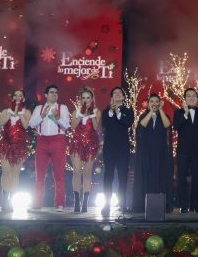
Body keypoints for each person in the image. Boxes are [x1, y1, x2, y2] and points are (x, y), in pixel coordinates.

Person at [29, 84, 70, 211]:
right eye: (51, 92)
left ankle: (60, 204)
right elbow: (31, 124)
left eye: (56, 92)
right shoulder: (39, 108)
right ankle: (37, 204)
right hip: (42, 141)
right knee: (39, 175)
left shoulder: (62, 108)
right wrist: (42, 116)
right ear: (46, 95)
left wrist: (57, 117)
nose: (54, 94)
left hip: (57, 141)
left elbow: (66, 126)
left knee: (59, 175)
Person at [173, 87, 198, 213]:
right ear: (184, 99)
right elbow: (176, 126)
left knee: (197, 178)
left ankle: (195, 205)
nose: (191, 98)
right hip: (183, 151)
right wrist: (185, 113)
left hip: (197, 151)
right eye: (188, 96)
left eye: (194, 96)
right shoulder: (179, 112)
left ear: (197, 99)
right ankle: (183, 205)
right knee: (181, 178)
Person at [136, 93, 173, 211]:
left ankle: (161, 205)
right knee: (147, 176)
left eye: (156, 101)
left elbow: (167, 125)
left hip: (161, 152)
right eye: (151, 101)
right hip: (147, 153)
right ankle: (143, 205)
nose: (154, 104)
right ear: (148, 104)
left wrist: (160, 110)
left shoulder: (164, 116)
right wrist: (150, 112)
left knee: (160, 175)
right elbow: (142, 125)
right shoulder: (143, 116)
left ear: (160, 103)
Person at [101, 87, 133, 216]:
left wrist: (118, 112)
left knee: (122, 177)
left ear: (123, 97)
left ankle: (123, 204)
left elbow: (127, 123)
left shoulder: (128, 111)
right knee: (108, 176)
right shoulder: (105, 112)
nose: (118, 94)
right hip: (109, 148)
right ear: (111, 97)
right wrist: (112, 111)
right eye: (115, 93)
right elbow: (106, 124)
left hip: (123, 149)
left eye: (120, 93)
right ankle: (106, 205)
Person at [0, 89, 31, 212]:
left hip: (20, 147)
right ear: (12, 98)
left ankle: (10, 200)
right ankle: (5, 199)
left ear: (23, 99)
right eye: (15, 95)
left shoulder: (26, 112)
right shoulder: (6, 111)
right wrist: (10, 113)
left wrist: (20, 112)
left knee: (15, 174)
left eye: (20, 96)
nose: (17, 97)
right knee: (6, 172)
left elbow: (26, 126)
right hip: (6, 145)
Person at [69, 87, 100, 213]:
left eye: (88, 98)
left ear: (92, 99)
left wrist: (91, 113)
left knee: (87, 173)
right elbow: (73, 126)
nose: (86, 100)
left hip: (90, 145)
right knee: (76, 171)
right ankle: (77, 201)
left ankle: (85, 202)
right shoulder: (76, 112)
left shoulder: (97, 111)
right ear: (80, 99)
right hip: (77, 144)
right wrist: (81, 112)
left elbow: (95, 126)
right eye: (83, 98)